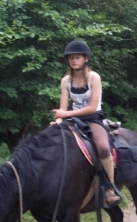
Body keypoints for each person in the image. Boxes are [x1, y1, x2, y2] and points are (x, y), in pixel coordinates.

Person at [51, 40, 122, 206]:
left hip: (93, 118)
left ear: (86, 59)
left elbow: (91, 107)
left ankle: (109, 187)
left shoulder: (94, 77)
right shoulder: (65, 81)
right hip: (72, 118)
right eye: (71, 58)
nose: (74, 60)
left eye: (77, 57)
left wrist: (65, 114)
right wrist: (58, 121)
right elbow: (62, 108)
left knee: (103, 147)